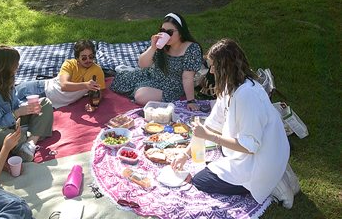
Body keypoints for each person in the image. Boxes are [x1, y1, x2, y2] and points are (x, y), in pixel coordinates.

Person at [171, 38, 292, 205]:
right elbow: (210, 126)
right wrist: (185, 154)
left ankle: (273, 184)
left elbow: (249, 147)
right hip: (252, 152)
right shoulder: (230, 86)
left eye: (213, 66)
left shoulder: (247, 96)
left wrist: (210, 137)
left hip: (260, 161)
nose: (211, 71)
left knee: (200, 181)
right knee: (208, 163)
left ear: (225, 67)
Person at [0, 46, 53, 162]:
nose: (18, 67)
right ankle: (30, 134)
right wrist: (17, 113)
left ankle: (30, 144)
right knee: (1, 136)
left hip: (13, 122)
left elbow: (14, 103)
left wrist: (25, 107)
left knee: (44, 103)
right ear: (5, 67)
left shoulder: (6, 77)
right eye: (15, 64)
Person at [110, 12, 203, 110]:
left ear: (181, 32)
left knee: (140, 96)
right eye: (163, 31)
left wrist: (191, 100)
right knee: (119, 81)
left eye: (170, 32)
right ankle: (136, 84)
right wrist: (153, 47)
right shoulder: (161, 45)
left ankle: (138, 87)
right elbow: (142, 65)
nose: (166, 35)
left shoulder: (192, 48)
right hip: (152, 75)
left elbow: (187, 77)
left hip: (172, 85)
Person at [33, 39, 106, 109]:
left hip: (50, 103)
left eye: (91, 57)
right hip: (41, 88)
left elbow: (100, 92)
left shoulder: (97, 71)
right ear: (77, 58)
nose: (88, 60)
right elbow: (64, 86)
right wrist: (85, 85)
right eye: (84, 58)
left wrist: (94, 105)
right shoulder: (69, 64)